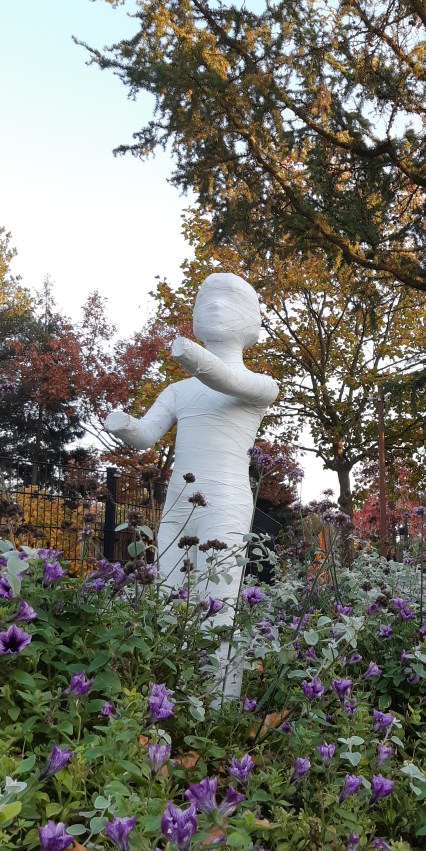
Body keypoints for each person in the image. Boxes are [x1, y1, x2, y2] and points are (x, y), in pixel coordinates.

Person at [105, 273, 279, 699]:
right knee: (169, 593)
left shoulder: (260, 386)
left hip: (225, 500)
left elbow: (226, 381)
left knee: (219, 599)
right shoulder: (178, 391)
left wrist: (190, 355)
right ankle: (170, 697)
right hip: (179, 502)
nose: (215, 305)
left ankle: (219, 703)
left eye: (229, 300)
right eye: (207, 299)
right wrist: (125, 426)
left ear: (253, 325)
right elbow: (147, 435)